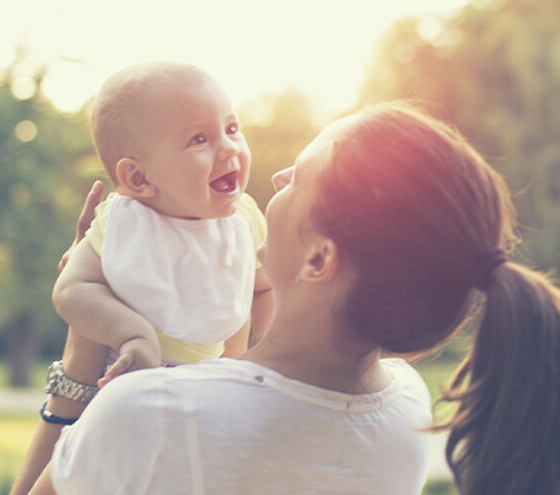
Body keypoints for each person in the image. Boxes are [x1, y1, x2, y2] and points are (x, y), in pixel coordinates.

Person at [32, 101, 559, 495]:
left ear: (318, 260)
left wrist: (85, 340)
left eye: (298, 179)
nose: (277, 177)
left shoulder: (150, 412)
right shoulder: (405, 408)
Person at [10, 62, 274, 495]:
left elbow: (262, 290)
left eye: (231, 127)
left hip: (204, 406)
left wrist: (247, 365)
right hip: (113, 393)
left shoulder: (244, 222)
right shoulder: (121, 224)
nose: (229, 149)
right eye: (199, 139)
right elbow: (72, 290)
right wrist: (132, 333)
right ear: (138, 177)